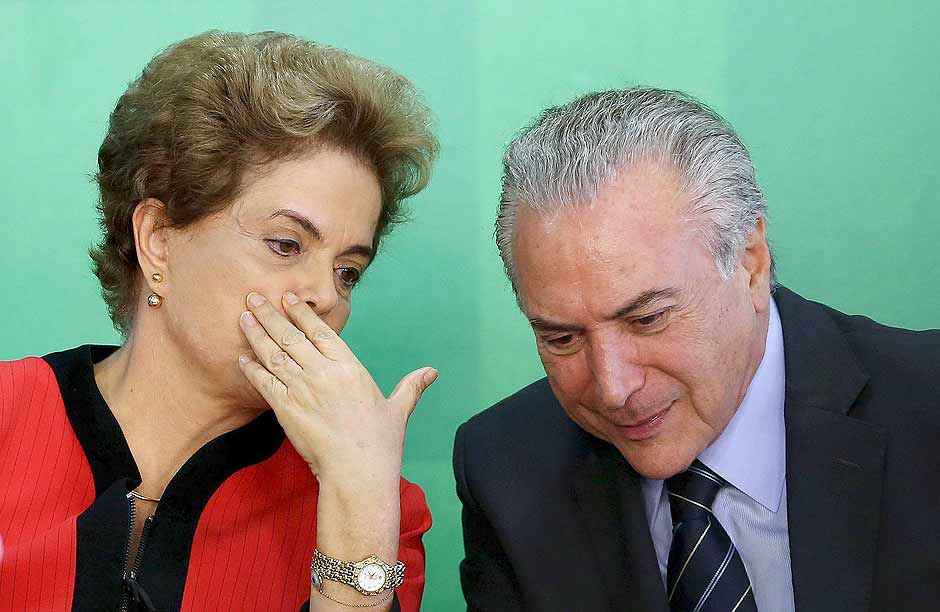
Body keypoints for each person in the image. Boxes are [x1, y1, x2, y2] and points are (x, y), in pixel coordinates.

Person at [0, 31, 439, 612]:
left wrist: (360, 508)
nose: (325, 295)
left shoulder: (385, 511)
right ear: (158, 239)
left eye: (348, 271)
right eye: (286, 244)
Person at [454, 87, 940, 612]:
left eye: (647, 318)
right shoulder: (505, 470)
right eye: (561, 338)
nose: (615, 389)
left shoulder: (926, 402)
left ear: (751, 263)